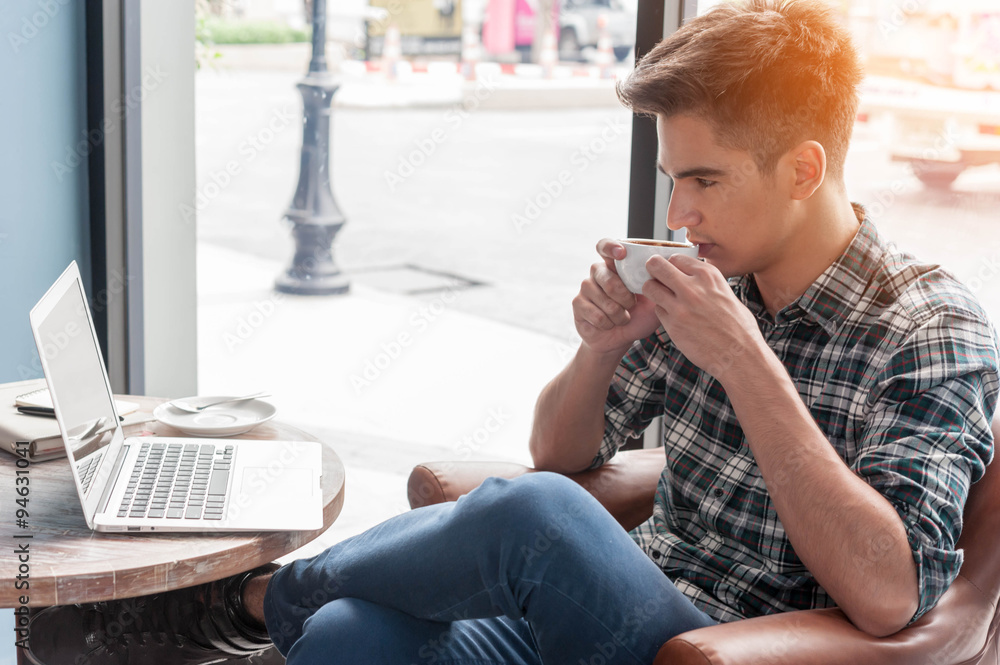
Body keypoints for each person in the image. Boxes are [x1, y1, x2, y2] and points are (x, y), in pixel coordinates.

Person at [27, 0, 999, 663]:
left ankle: (236, 601)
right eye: (673, 178)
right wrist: (604, 345)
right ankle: (265, 609)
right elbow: (561, 448)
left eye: (704, 179)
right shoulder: (709, 280)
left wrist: (747, 361)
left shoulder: (927, 326)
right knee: (346, 636)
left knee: (534, 513)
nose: (681, 210)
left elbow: (889, 594)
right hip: (607, 606)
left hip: (723, 645)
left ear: (801, 168)